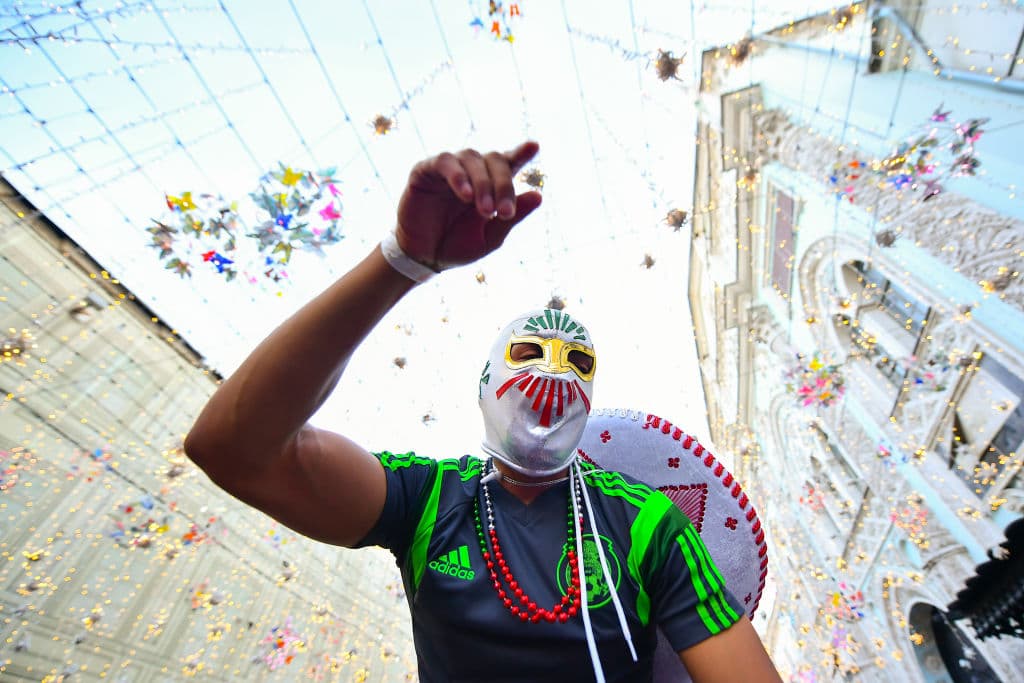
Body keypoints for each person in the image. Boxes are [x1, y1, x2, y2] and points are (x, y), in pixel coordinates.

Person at [184, 141, 783, 682]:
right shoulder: (427, 497)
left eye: (577, 363)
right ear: (485, 385)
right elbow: (234, 451)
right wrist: (401, 262)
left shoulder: (646, 521)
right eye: (528, 354)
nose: (553, 372)